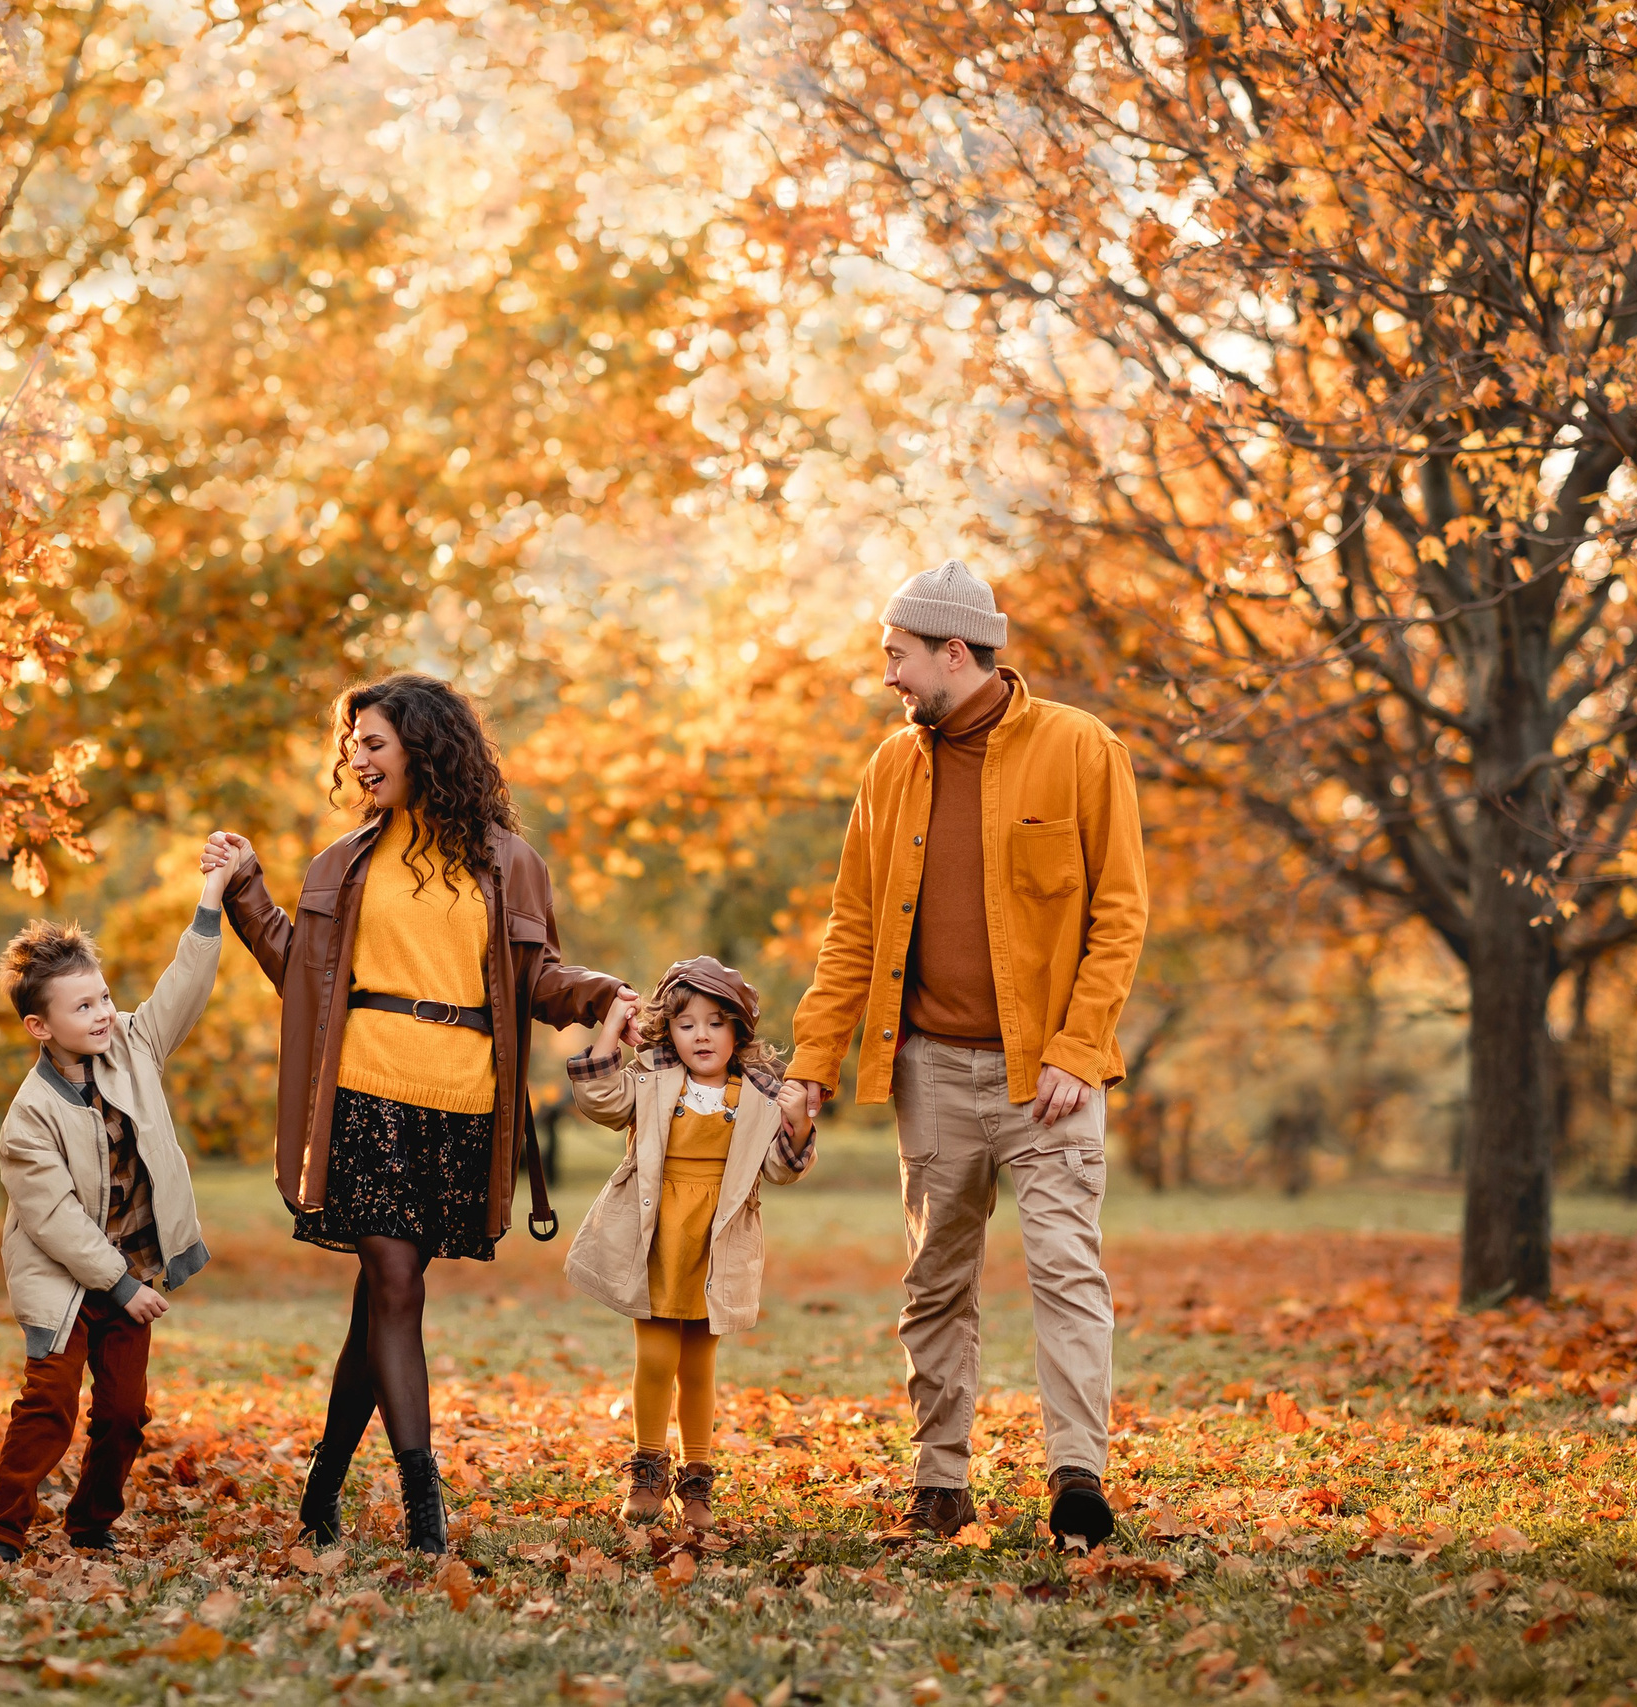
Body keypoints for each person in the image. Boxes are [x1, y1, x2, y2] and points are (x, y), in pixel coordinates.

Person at [203, 673, 635, 1555]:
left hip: (463, 1103)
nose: (357, 759)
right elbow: (307, 981)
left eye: (373, 743)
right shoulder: (344, 861)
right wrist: (247, 891)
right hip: (366, 1090)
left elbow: (537, 977)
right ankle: (423, 1514)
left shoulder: (509, 863)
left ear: (425, 747)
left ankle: (322, 1486)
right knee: (397, 1285)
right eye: (353, 744)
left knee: (381, 1298)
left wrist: (600, 994)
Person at [784, 560, 1149, 1550]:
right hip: (932, 1073)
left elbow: (1118, 918)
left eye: (898, 655)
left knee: (1066, 1271)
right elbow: (852, 931)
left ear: (956, 651)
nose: (890, 676)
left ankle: (1077, 1478)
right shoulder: (890, 767)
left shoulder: (1080, 748)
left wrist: (1079, 1048)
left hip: (1051, 1079)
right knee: (935, 1281)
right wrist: (811, 1070)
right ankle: (940, 1481)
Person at [0, 842, 243, 1572]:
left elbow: (182, 986)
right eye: (82, 1006)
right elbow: (53, 1218)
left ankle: (91, 1523)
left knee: (124, 1414)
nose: (102, 1013)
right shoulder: (28, 1119)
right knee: (48, 1406)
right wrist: (116, 1283)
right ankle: (1, 1534)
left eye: (103, 997)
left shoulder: (132, 1047)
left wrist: (212, 896)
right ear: (40, 1026)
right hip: (66, 1281)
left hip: (132, 1272)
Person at [561, 959, 815, 1529]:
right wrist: (611, 1024)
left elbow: (779, 1170)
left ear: (738, 1032)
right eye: (687, 1024)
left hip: (715, 1240)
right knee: (655, 1357)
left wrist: (796, 1125)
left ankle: (696, 1481)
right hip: (653, 1234)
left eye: (717, 1022)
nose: (702, 1035)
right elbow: (599, 1099)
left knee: (698, 1364)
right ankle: (647, 1470)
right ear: (667, 1031)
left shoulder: (759, 1097)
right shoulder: (650, 1079)